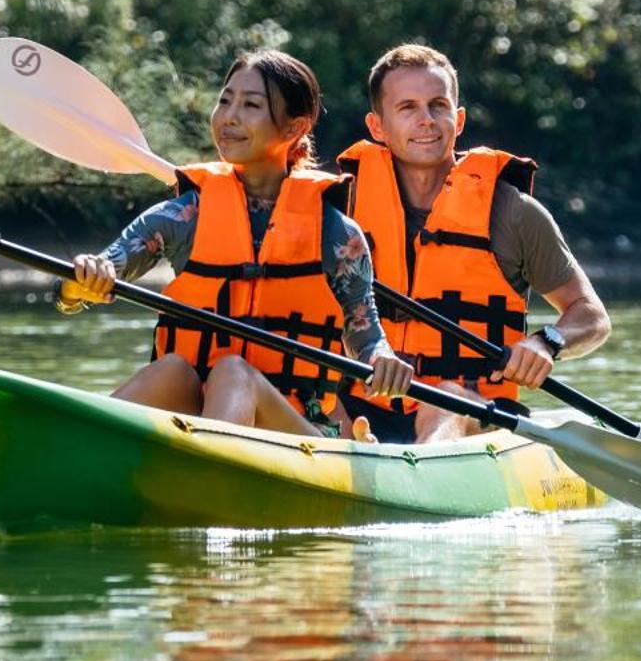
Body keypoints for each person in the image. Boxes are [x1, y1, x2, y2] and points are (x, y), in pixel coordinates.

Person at [59, 49, 415, 438]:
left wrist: (383, 360)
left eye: (251, 105)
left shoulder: (338, 236)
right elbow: (93, 278)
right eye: (224, 100)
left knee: (233, 372)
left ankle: (207, 472)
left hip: (299, 436)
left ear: (293, 128)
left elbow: (365, 337)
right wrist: (83, 281)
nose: (229, 116)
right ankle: (78, 444)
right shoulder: (183, 217)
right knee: (173, 369)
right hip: (196, 422)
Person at [336, 44, 610, 444]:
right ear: (377, 127)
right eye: (408, 107)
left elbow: (592, 315)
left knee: (444, 398)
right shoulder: (339, 213)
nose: (426, 120)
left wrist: (547, 342)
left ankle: (416, 475)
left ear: (458, 119)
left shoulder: (514, 214)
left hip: (479, 412)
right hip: (364, 406)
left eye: (438, 105)